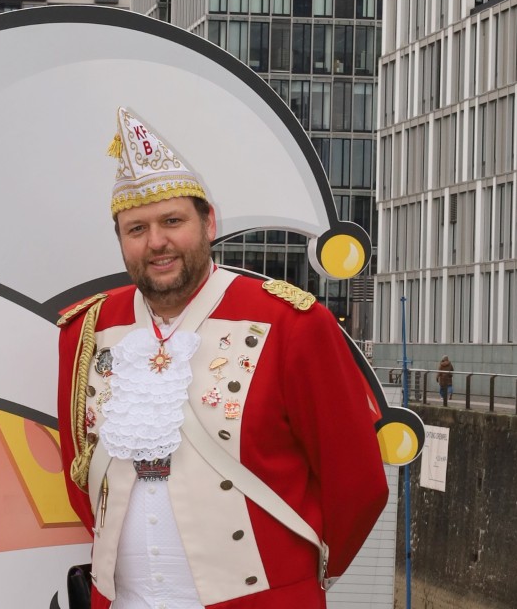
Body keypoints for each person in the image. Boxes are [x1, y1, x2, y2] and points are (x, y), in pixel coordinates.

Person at [56, 107, 388, 609]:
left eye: (172, 221)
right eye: (136, 229)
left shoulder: (294, 324)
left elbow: (357, 484)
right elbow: (80, 474)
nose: (157, 242)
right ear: (120, 240)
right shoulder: (85, 331)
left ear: (209, 222)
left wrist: (294, 577)